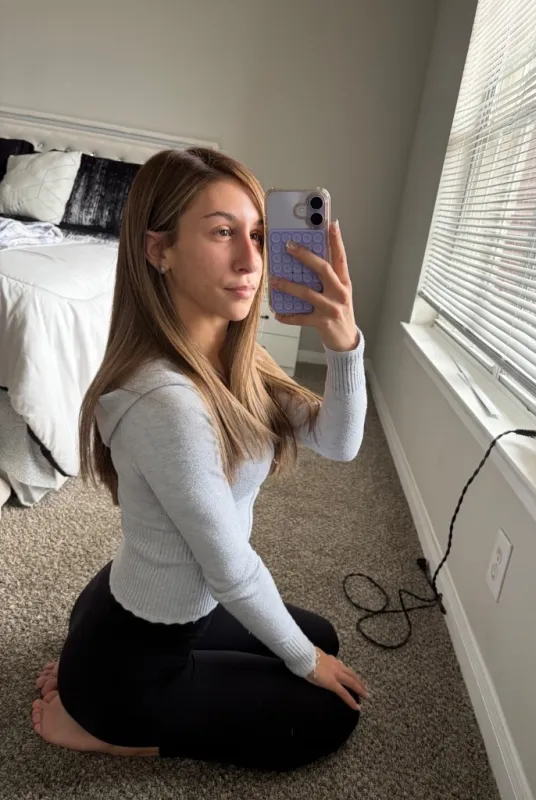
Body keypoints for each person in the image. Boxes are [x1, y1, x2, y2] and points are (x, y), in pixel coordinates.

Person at [32, 147, 369, 771]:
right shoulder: (165, 402)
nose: (251, 261)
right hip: (135, 663)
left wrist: (344, 344)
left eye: (257, 234)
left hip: (139, 601)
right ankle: (107, 728)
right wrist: (305, 663)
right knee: (328, 712)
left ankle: (87, 668)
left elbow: (339, 443)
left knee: (324, 636)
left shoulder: (236, 361)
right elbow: (230, 568)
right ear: (158, 250)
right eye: (222, 232)